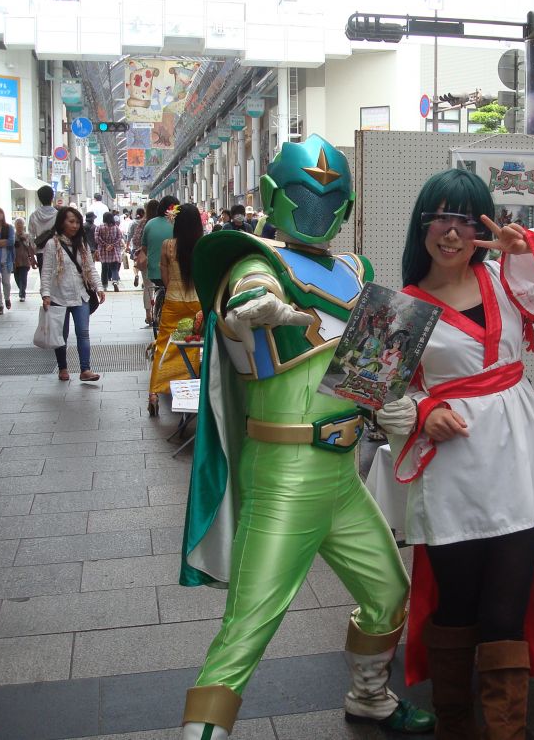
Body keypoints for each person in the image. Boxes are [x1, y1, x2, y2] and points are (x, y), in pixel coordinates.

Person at [178, 135, 435, 739]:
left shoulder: (356, 271)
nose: (316, 208)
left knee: (388, 591)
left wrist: (390, 406)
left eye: (329, 196)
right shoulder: (256, 261)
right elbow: (247, 292)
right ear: (273, 195)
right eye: (303, 193)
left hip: (342, 475)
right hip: (283, 477)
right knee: (247, 629)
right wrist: (251, 305)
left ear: (346, 206)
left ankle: (370, 695)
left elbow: (367, 372)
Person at [378, 168, 534, 739]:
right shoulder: (401, 307)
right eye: (439, 218)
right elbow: (370, 389)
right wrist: (423, 410)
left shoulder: (507, 280)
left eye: (465, 219)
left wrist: (528, 246)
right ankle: (455, 727)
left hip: (517, 469)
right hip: (451, 474)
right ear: (422, 226)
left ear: (482, 227)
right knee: (456, 608)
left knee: (506, 612)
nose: (452, 232)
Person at [146, 203, 203, 416]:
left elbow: (165, 275)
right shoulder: (202, 245)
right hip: (197, 304)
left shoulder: (167, 246)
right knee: (191, 345)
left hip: (173, 302)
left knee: (164, 345)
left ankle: (154, 393)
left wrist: (172, 289)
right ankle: (186, 390)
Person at [40, 206, 105, 383]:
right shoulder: (52, 244)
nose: (75, 225)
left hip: (80, 295)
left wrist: (99, 287)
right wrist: (45, 294)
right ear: (62, 223)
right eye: (71, 221)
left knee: (83, 332)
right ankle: (63, 368)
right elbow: (46, 271)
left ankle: (85, 369)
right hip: (58, 297)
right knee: (61, 335)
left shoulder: (82, 244)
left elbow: (90, 268)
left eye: (77, 222)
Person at [142, 195, 177, 286]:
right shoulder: (177, 223)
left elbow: (144, 248)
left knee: (159, 288)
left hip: (154, 272)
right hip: (174, 272)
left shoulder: (150, 224)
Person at [28, 185, 58, 272]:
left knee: (44, 278)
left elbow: (30, 238)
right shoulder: (58, 215)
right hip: (56, 251)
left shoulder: (34, 215)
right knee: (57, 278)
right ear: (52, 197)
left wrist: (32, 257)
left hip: (40, 252)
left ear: (39, 198)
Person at [95, 211, 124, 292]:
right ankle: (115, 281)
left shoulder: (99, 227)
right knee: (114, 268)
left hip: (103, 251)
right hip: (114, 251)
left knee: (104, 268)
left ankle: (104, 286)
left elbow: (97, 238)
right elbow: (119, 237)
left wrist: (105, 245)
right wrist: (112, 245)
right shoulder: (116, 227)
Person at [12, 217, 35, 302]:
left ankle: (22, 294)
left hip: (25, 260)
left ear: (23, 225)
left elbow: (30, 247)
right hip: (15, 260)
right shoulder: (12, 236)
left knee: (23, 278)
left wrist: (24, 240)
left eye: (20, 224)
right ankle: (21, 290)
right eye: (17, 224)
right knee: (17, 278)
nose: (19, 226)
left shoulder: (27, 236)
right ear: (15, 226)